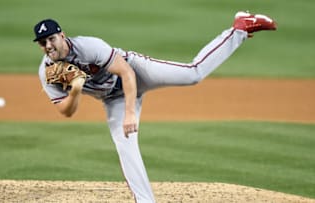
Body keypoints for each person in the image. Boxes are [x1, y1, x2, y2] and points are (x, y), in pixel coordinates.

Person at [33, 11, 276, 203]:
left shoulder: (89, 46)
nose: (48, 45)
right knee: (124, 145)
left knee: (192, 74)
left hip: (136, 71)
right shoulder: (47, 73)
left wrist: (130, 113)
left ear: (62, 35)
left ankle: (240, 28)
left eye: (51, 39)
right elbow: (66, 111)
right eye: (43, 43)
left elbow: (126, 73)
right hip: (113, 98)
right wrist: (75, 88)